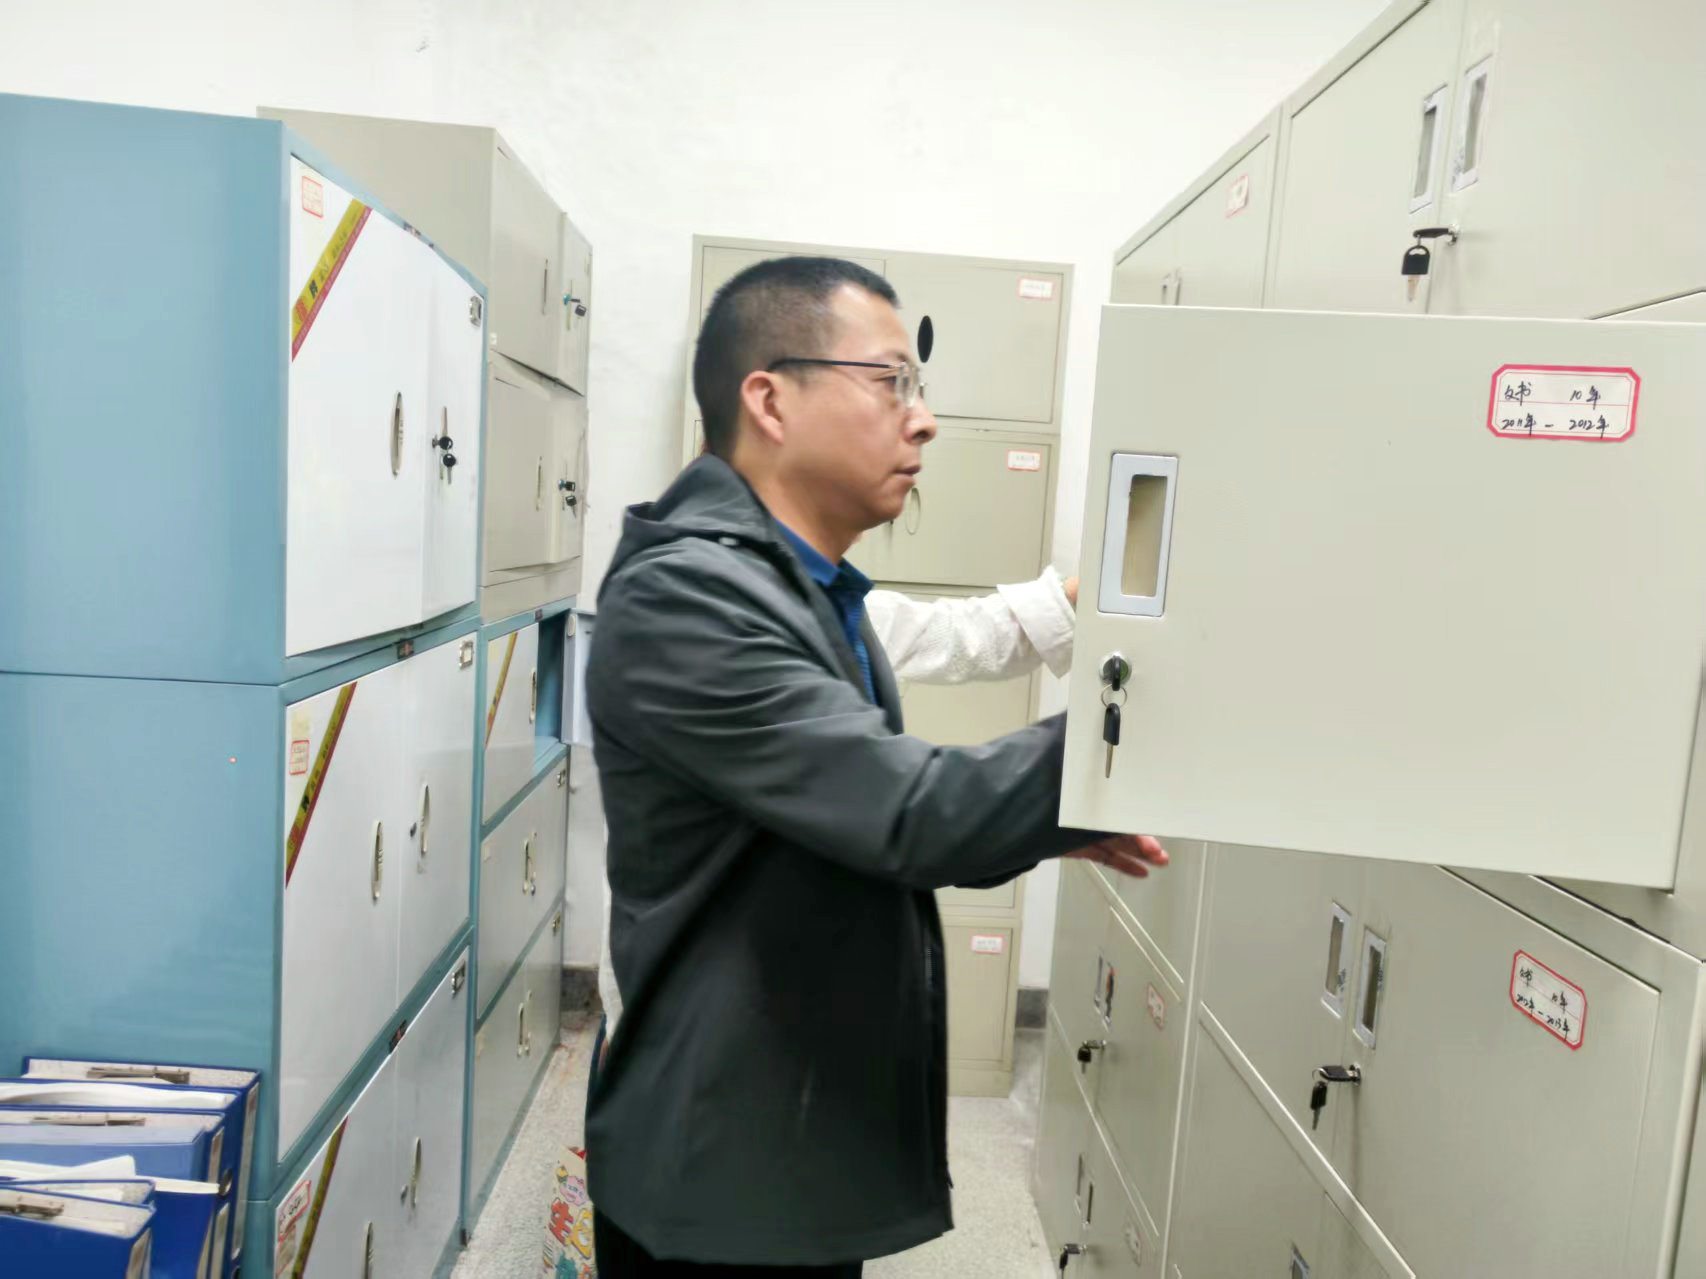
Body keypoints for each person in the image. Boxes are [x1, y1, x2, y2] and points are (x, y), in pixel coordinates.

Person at [584, 256, 1164, 1275]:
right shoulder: (688, 596)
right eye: (892, 382)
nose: (924, 420)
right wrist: (1151, 722)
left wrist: (1039, 811)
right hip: (720, 1170)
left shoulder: (799, 587)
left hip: (781, 1134)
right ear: (769, 400)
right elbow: (913, 814)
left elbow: (880, 797)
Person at [592, 568, 1081, 1059]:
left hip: (803, 994)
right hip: (702, 1019)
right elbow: (906, 816)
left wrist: (1083, 594)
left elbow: (963, 635)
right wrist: (1072, 786)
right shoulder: (717, 634)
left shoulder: (842, 611)